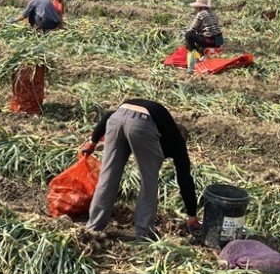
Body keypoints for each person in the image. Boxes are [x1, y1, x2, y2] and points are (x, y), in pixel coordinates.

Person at [81, 99, 200, 240]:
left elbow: (108, 115)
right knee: (149, 183)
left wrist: (92, 142)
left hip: (117, 117)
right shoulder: (177, 142)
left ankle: (93, 228)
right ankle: (144, 234)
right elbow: (185, 179)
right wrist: (192, 216)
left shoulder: (162, 122)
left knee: (107, 177)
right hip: (142, 123)